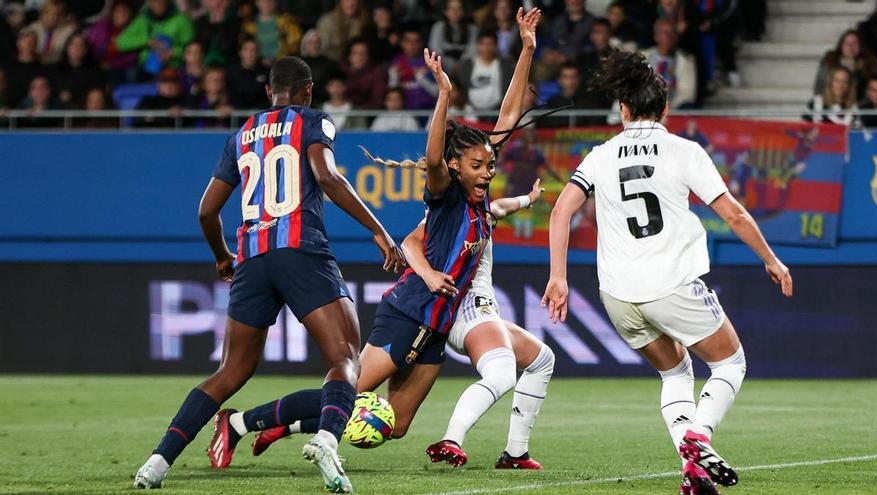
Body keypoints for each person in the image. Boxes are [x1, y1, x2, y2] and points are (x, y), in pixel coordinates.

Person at [198, 6, 544, 465]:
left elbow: (510, 110)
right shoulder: (445, 189)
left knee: (393, 425)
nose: (487, 172)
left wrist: (526, 49)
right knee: (347, 391)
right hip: (411, 309)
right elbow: (435, 159)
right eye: (478, 166)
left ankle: (274, 424)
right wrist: (444, 95)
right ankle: (242, 422)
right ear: (459, 166)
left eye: (490, 166)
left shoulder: (478, 185)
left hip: (438, 323)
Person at [132, 56, 404, 494]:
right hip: (300, 250)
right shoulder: (314, 120)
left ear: (269, 93)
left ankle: (157, 462)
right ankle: (328, 441)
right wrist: (380, 231)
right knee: (344, 359)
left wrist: (223, 257)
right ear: (308, 90)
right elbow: (326, 176)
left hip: (252, 257)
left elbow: (207, 210)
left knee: (230, 372)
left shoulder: (241, 135)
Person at [542, 50, 793, 495]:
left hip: (616, 295)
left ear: (623, 110)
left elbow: (561, 211)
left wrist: (558, 276)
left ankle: (692, 470)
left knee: (676, 373)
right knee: (731, 363)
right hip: (671, 285)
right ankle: (699, 437)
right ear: (665, 109)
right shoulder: (683, 151)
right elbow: (733, 214)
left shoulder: (600, 155)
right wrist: (771, 259)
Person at [418, 178, 555, 469]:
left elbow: (499, 208)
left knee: (542, 359)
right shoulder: (450, 216)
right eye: (478, 166)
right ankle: (451, 439)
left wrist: (528, 199)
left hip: (479, 309)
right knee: (503, 375)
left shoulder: (476, 211)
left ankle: (516, 454)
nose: (486, 176)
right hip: (466, 306)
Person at [115, 0, 194, 75]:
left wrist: (172, 52)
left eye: (160, 0)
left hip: (174, 66)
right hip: (146, 67)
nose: (157, 4)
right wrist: (147, 41)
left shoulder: (181, 20)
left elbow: (194, 48)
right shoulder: (143, 20)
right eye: (153, 0)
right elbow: (120, 43)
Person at [643, 18, 697, 109]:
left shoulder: (686, 61)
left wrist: (668, 109)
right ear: (656, 36)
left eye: (672, 33)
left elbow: (687, 94)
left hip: (673, 110)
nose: (669, 37)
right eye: (665, 33)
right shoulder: (642, 58)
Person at [454, 30, 514, 111]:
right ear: (477, 45)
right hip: (470, 112)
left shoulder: (505, 66)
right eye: (483, 44)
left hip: (498, 112)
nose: (486, 48)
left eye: (490, 44)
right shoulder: (467, 65)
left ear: (496, 46)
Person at [814, 30, 877, 100]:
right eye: (847, 43)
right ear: (841, 45)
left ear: (861, 45)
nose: (850, 46)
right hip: (832, 105)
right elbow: (819, 87)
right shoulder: (830, 62)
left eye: (855, 43)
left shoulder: (870, 63)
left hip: (861, 106)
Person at [388, 25, 438, 110]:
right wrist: (393, 78)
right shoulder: (396, 62)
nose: (412, 45)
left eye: (416, 41)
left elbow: (439, 93)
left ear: (421, 43)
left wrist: (422, 79)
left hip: (428, 110)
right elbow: (391, 94)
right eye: (408, 41)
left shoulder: (430, 61)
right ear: (402, 43)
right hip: (404, 112)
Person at [51, 32, 106, 109]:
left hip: (85, 111)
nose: (76, 48)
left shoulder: (95, 70)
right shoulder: (55, 69)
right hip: (59, 110)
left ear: (85, 50)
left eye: (80, 45)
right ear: (67, 48)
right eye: (73, 44)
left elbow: (96, 94)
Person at [240, 0, 302, 65]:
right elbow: (244, 47)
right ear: (256, 2)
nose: (266, 4)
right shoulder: (249, 24)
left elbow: (295, 43)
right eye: (262, 1)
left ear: (276, 2)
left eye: (270, 1)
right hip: (257, 65)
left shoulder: (286, 21)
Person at [428, 0, 477, 68]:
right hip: (443, 64)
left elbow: (472, 50)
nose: (455, 12)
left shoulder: (472, 29)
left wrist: (460, 64)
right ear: (445, 11)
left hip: (465, 65)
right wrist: (450, 63)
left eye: (458, 8)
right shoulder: (438, 27)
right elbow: (435, 49)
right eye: (451, 8)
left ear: (463, 11)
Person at [342, 37, 387, 110]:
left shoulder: (377, 72)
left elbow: (378, 100)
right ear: (349, 56)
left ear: (368, 56)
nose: (359, 57)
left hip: (368, 114)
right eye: (355, 53)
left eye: (363, 54)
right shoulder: (341, 71)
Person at [26, 0, 76, 65]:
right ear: (41, 14)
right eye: (47, 13)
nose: (51, 17)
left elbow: (62, 55)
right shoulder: (32, 28)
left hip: (58, 67)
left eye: (56, 14)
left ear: (62, 16)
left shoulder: (68, 31)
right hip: (34, 66)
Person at [226, 38, 269, 109]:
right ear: (240, 52)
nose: (250, 54)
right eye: (246, 50)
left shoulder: (265, 72)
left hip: (259, 115)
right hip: (238, 116)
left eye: (253, 50)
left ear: (258, 53)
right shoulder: (231, 72)